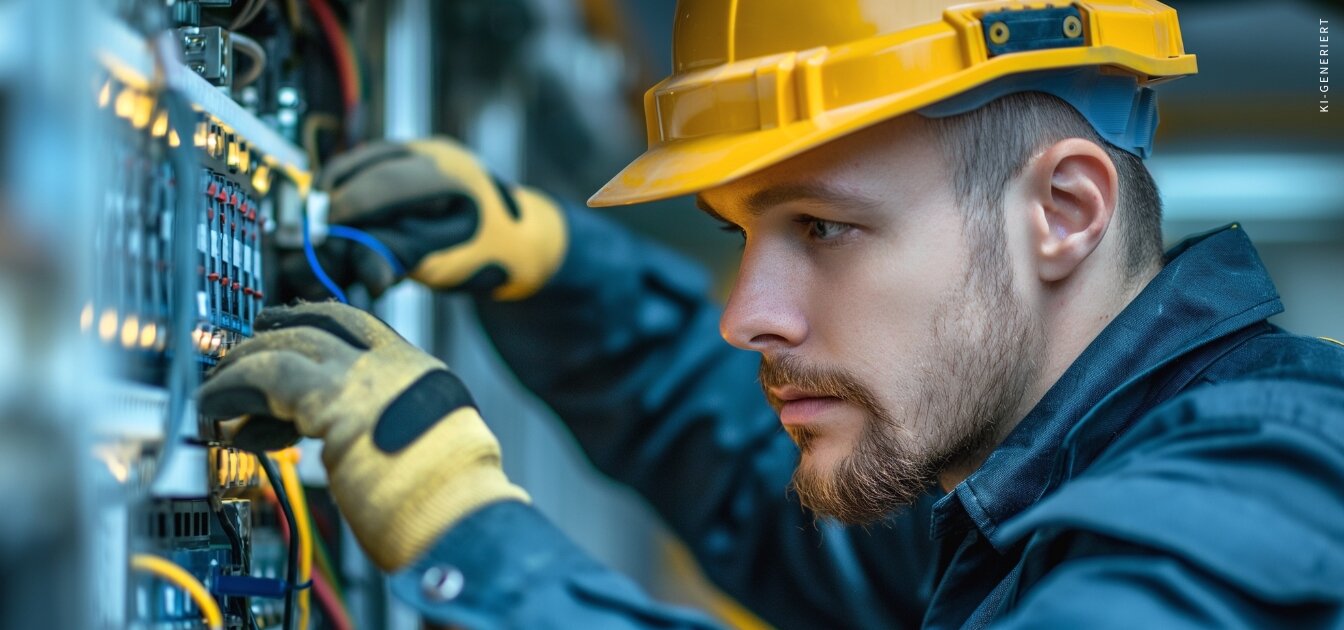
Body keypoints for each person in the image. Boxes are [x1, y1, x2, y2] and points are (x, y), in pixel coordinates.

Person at [199, 1, 1344, 627]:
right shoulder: (1038, 498)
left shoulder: (1268, 493)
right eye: (739, 232)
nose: (746, 314)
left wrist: (463, 529)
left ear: (1064, 210)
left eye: (824, 228)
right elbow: (781, 516)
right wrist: (553, 272)